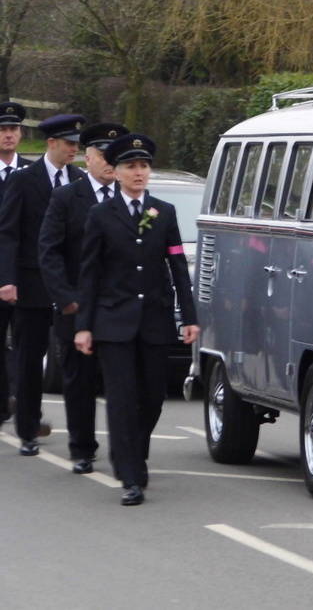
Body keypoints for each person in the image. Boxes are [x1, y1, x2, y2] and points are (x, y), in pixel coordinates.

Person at [74, 134, 199, 506]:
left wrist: (189, 317)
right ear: (117, 172)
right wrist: (84, 324)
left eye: (144, 166)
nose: (139, 172)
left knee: (154, 396)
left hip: (154, 321)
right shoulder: (99, 215)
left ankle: (134, 450)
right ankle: (129, 473)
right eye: (131, 166)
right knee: (122, 398)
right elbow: (89, 272)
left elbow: (177, 264)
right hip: (113, 322)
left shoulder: (164, 211)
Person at [38, 123, 128, 474]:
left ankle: (127, 450)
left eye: (113, 155)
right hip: (77, 305)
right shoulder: (66, 198)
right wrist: (67, 299)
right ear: (87, 157)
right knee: (79, 380)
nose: (108, 162)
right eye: (102, 155)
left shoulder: (131, 200)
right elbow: (49, 252)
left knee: (123, 383)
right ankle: (82, 448)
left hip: (119, 307)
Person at [0, 113, 86, 454]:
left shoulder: (78, 179)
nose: (73, 151)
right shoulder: (25, 179)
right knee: (29, 356)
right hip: (31, 283)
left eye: (77, 145)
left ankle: (80, 434)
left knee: (72, 359)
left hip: (68, 285)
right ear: (51, 144)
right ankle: (28, 428)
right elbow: (8, 233)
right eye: (68, 144)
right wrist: (7, 279)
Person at [0, 101, 33, 425]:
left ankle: (22, 407)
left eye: (13, 130)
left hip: (22, 275)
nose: (8, 135)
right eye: (3, 130)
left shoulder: (29, 173)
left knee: (25, 344)